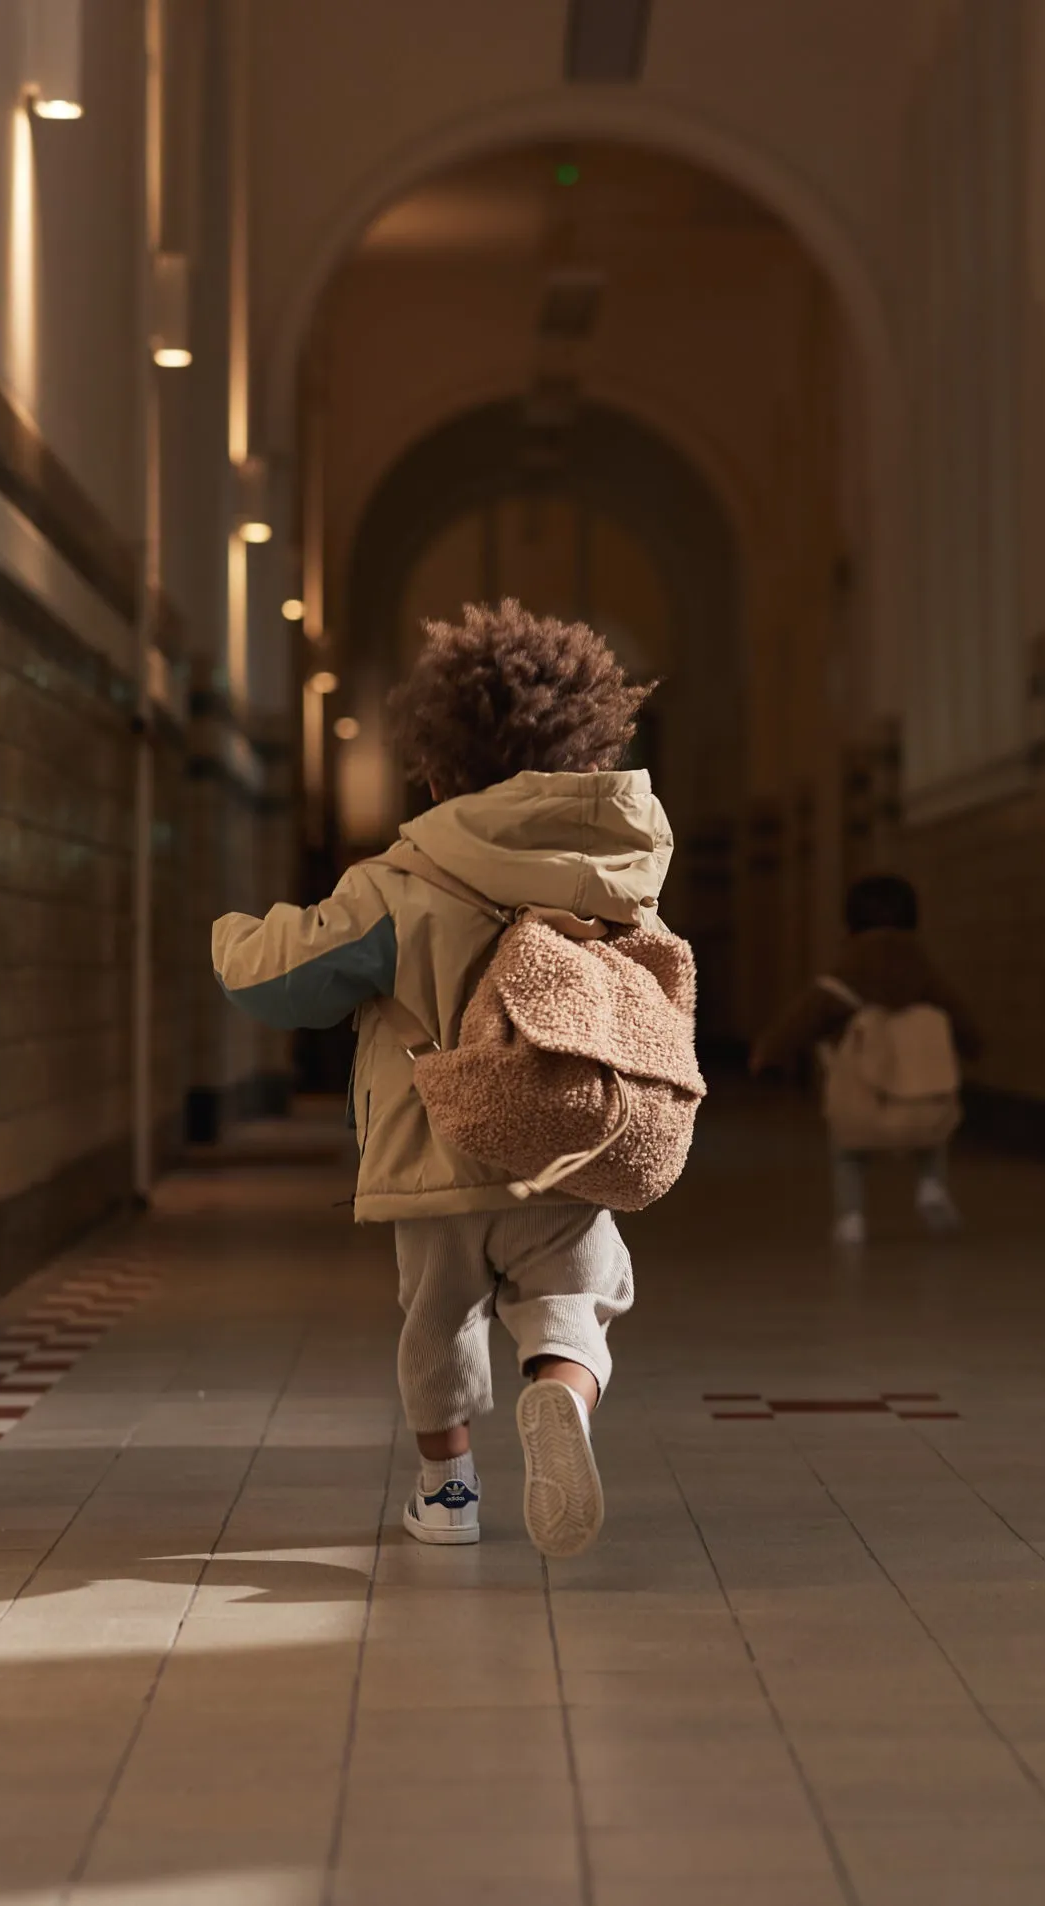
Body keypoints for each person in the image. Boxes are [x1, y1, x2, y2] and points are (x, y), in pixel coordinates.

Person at [209, 601, 667, 1558]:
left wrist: (229, 937)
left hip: (437, 1143)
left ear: (439, 761)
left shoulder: (401, 878)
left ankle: (448, 1493)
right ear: (588, 747)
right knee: (578, 1299)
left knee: (439, 1320)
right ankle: (561, 1397)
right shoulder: (618, 865)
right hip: (570, 1140)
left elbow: (286, 981)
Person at [752, 874, 980, 1246]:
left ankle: (851, 1217)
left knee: (848, 1151)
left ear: (850, 921)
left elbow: (806, 1014)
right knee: (932, 1131)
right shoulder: (924, 970)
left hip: (861, 1089)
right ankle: (931, 1186)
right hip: (921, 1089)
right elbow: (959, 1014)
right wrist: (975, 1046)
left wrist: (769, 1051)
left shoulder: (846, 970)